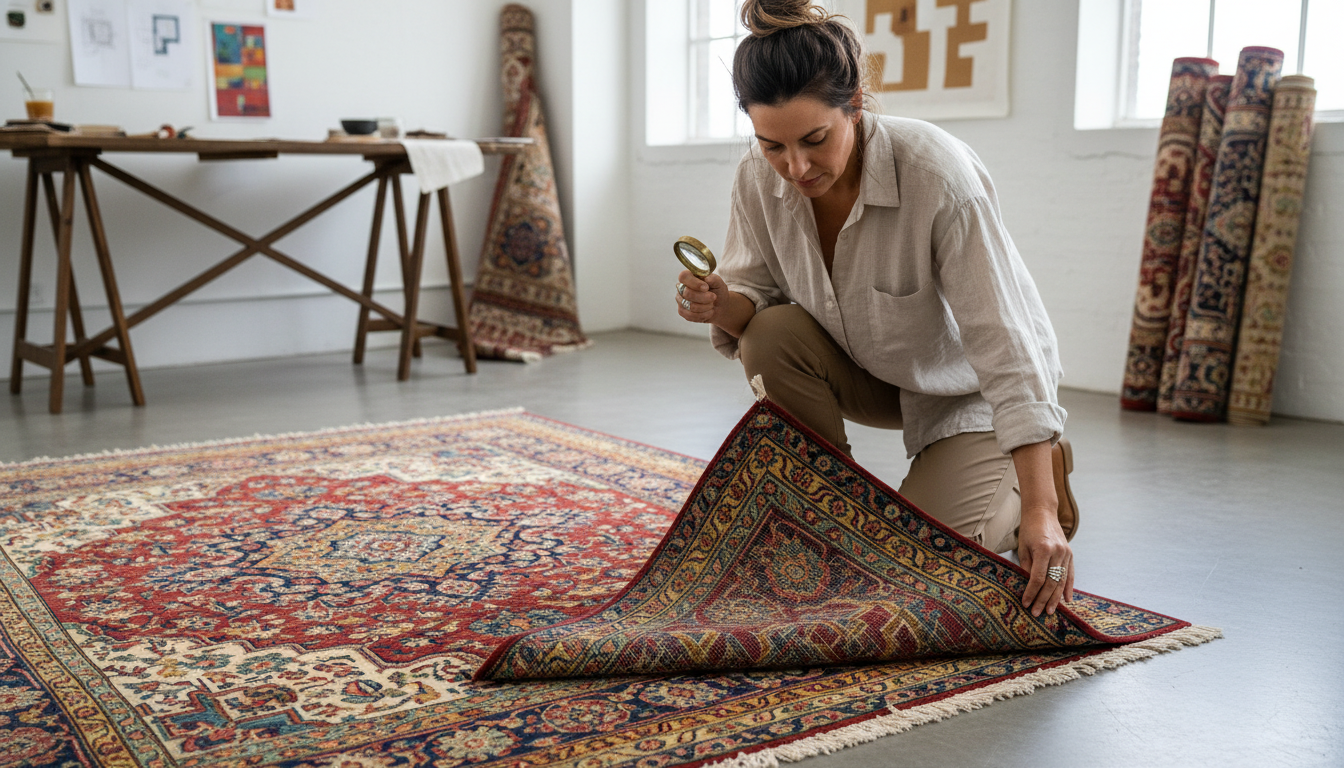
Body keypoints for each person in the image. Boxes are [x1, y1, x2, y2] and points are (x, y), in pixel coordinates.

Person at [674, 0, 1078, 618]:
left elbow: (1008, 344)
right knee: (769, 335)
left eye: (815, 140)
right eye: (772, 145)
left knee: (929, 582)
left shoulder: (939, 175)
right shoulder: (759, 179)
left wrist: (1041, 515)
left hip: (968, 395)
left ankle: (1037, 466)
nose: (796, 168)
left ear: (856, 103)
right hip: (871, 372)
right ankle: (832, 513)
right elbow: (755, 311)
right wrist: (718, 304)